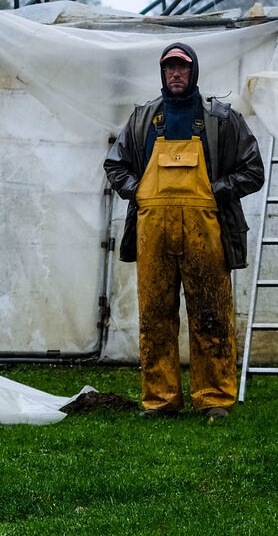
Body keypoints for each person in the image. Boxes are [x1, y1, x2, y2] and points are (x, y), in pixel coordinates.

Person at [104, 41, 265, 418]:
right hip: (153, 234)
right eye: (169, 68)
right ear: (162, 73)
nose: (176, 74)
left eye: (182, 67)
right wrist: (138, 191)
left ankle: (215, 399)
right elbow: (115, 166)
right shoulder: (142, 119)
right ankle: (160, 400)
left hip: (207, 232)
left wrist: (216, 189)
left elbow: (253, 171)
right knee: (155, 316)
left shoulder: (221, 119)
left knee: (211, 314)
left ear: (194, 72)